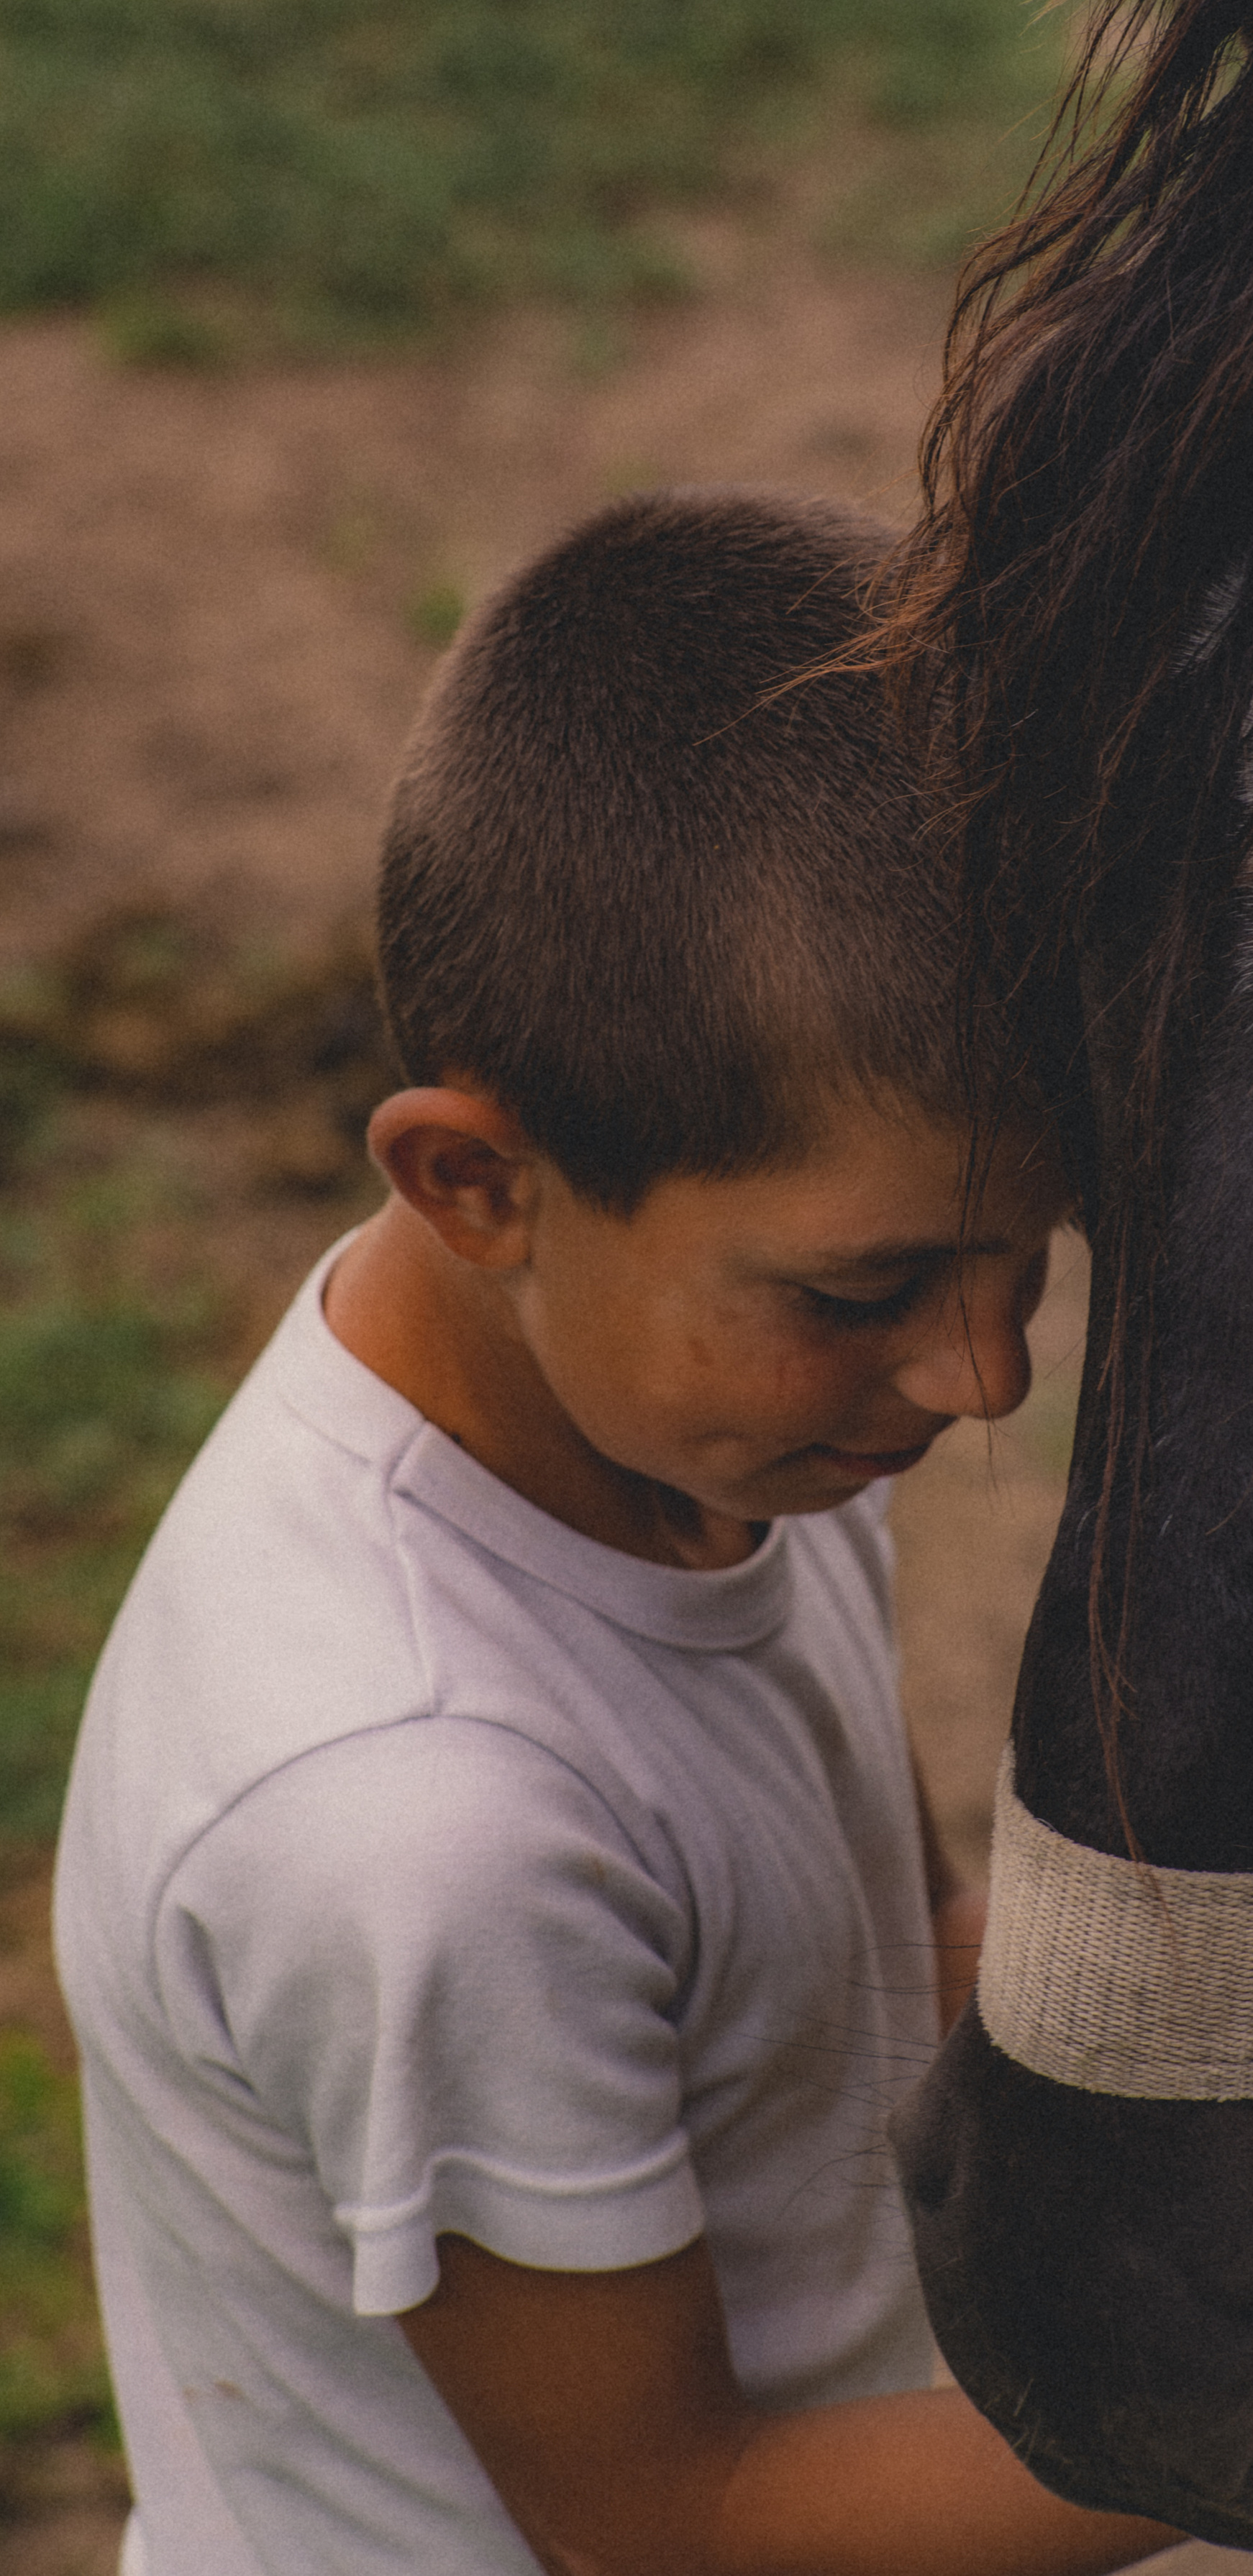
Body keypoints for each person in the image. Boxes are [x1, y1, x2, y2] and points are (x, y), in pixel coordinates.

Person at [53, 488, 1184, 2576]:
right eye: (875, 1288)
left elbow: (882, 1963)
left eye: (1030, 1255)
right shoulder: (419, 1828)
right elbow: (674, 2531)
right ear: (477, 1181)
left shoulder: (693, 1423)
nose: (984, 1374)